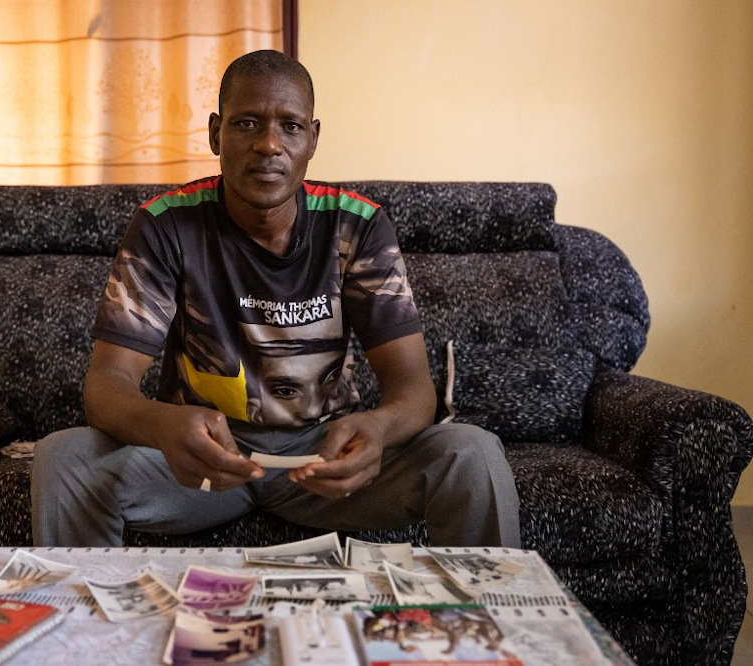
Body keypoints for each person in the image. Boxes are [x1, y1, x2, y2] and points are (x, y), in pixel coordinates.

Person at [31, 49, 520, 549]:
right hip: (203, 462)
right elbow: (107, 383)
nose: (269, 144)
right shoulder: (166, 224)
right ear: (215, 133)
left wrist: (376, 428)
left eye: (290, 126)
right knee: (65, 457)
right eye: (247, 123)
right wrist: (163, 425)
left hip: (320, 460)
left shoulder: (357, 225)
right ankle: (82, 627)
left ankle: (489, 624)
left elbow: (414, 387)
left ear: (313, 138)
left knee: (471, 454)